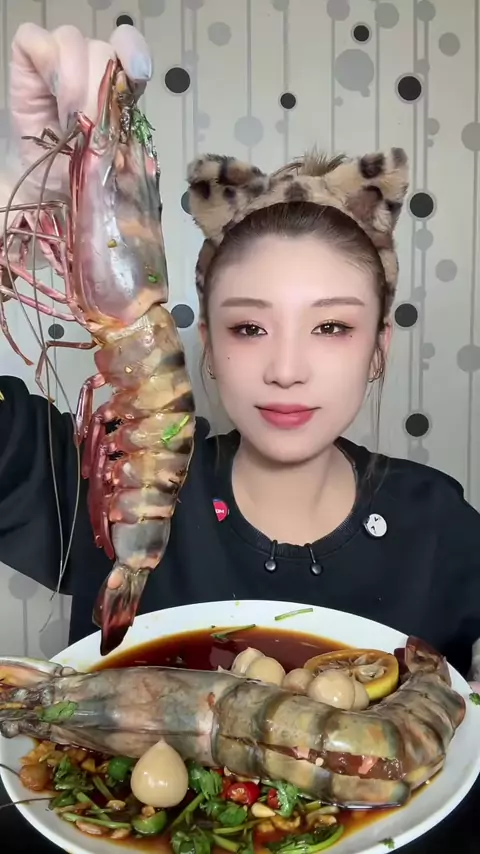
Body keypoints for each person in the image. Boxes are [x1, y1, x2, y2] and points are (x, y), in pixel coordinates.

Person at [0, 23, 479, 689]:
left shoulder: (443, 526)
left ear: (379, 348)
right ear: (210, 344)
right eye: (250, 328)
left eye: (332, 327)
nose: (286, 370)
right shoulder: (103, 479)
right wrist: (6, 224)